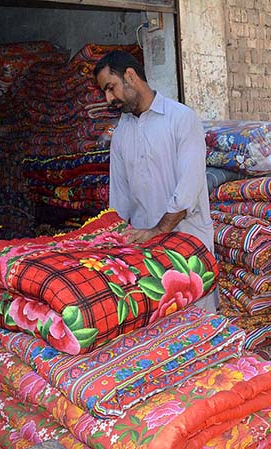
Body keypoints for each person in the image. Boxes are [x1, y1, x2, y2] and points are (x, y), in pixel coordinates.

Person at [94, 51, 216, 312]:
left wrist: (159, 230)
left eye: (110, 88)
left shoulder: (181, 118)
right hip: (144, 247)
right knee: (159, 330)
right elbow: (120, 194)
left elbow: (189, 186)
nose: (108, 99)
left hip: (187, 240)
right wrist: (112, 236)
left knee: (198, 327)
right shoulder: (121, 133)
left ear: (130, 76)